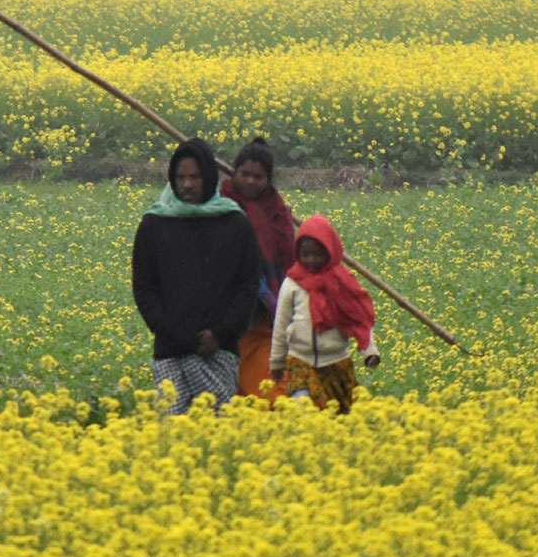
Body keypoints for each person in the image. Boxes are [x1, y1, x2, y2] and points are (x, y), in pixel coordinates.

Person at [131, 137, 261, 415]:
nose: (187, 185)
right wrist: (173, 332)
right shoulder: (154, 225)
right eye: (180, 177)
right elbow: (144, 289)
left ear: (209, 177)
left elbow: (247, 287)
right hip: (170, 349)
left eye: (194, 177)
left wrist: (219, 333)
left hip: (219, 350)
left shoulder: (235, 225)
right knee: (171, 437)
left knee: (217, 435)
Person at [269, 214, 380, 414]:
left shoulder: (343, 282)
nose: (311, 260)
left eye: (317, 254)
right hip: (299, 360)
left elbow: (359, 321)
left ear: (330, 252)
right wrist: (277, 361)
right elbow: (281, 324)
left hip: (335, 363)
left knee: (339, 416)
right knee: (301, 409)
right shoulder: (292, 283)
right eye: (305, 254)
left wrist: (370, 352)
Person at [220, 137, 298, 400]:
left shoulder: (278, 211)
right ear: (234, 172)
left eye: (258, 176)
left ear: (268, 179)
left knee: (270, 379)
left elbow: (290, 259)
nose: (251, 181)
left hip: (269, 313)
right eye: (245, 174)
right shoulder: (221, 205)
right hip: (230, 310)